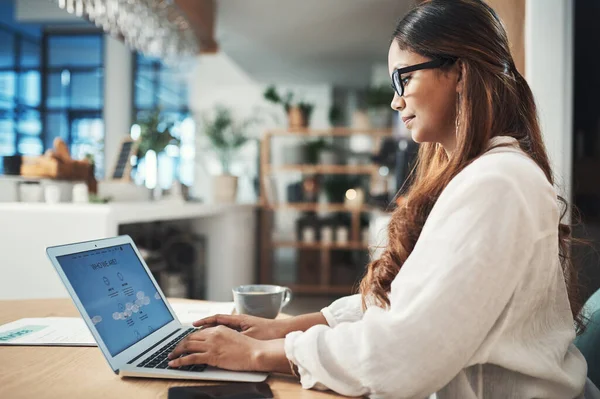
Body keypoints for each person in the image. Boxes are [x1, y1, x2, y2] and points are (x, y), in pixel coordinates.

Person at [167, 0, 590, 397]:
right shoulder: (489, 174)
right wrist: (288, 328)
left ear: (459, 72)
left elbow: (405, 356)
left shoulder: (498, 182)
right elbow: (418, 299)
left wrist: (258, 353)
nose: (395, 99)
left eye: (404, 77)